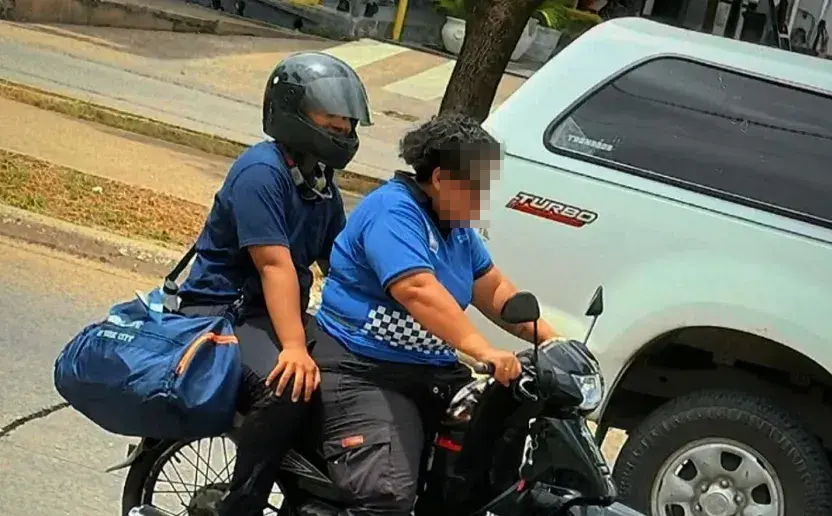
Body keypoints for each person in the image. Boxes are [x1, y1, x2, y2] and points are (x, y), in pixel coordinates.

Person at [310, 113, 561, 515]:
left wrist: (551, 341)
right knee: (387, 495)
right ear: (442, 179)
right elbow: (417, 289)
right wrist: (483, 349)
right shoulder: (393, 212)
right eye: (476, 186)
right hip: (363, 369)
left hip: (432, 373)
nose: (484, 197)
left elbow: (494, 289)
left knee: (482, 474)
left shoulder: (456, 228)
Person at [175, 52, 372, 516]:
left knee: (355, 370)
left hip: (272, 313)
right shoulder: (261, 172)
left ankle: (313, 494)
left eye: (349, 120)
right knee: (286, 385)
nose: (344, 128)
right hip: (223, 312)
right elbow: (275, 267)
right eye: (333, 117)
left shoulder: (318, 177)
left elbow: (338, 258)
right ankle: (242, 504)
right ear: (294, 112)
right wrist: (294, 346)